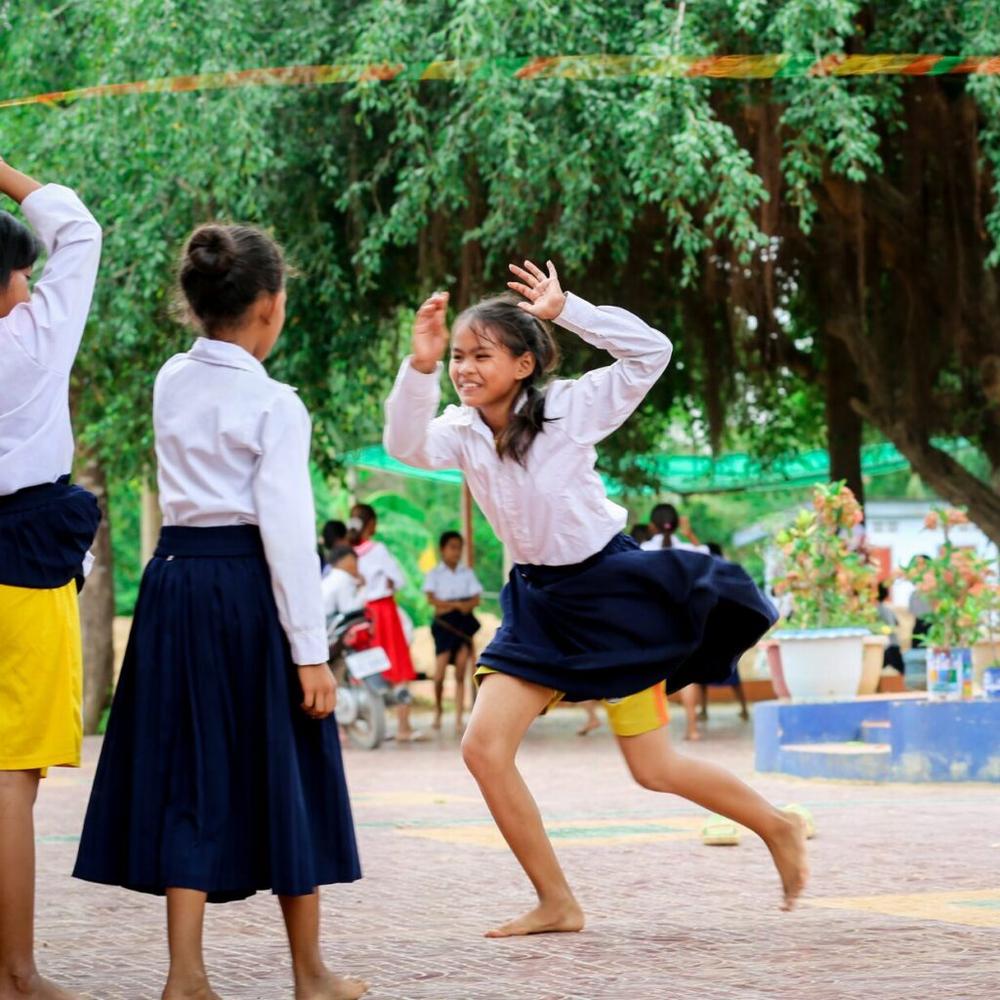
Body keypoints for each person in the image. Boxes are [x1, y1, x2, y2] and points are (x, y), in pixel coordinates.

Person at [385, 258, 807, 938]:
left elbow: (652, 353)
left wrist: (567, 310)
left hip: (613, 598)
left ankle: (776, 825)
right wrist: (421, 366)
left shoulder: (566, 409)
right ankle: (557, 901)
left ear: (523, 364)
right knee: (483, 749)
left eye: (479, 355)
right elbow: (403, 442)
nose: (464, 368)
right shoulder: (461, 433)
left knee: (653, 767)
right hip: (538, 604)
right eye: (458, 356)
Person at [73, 224, 366, 1000]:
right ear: (269, 307)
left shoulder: (172, 378)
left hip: (173, 584)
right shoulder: (275, 403)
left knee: (187, 770)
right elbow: (285, 527)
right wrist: (311, 651)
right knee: (293, 764)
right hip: (246, 589)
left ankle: (186, 975)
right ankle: (309, 974)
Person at [0, 155, 102, 1000]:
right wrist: (3, 173)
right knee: (10, 777)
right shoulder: (31, 338)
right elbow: (81, 229)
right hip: (24, 568)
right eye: (25, 277)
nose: (34, 289)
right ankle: (18, 971)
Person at [349, 503, 423, 742]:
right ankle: (403, 727)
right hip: (384, 611)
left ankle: (368, 725)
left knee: (369, 667)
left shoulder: (348, 552)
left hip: (362, 613)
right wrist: (388, 583)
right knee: (398, 665)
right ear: (371, 524)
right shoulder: (378, 550)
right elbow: (399, 580)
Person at [423, 531, 482, 732]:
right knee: (439, 674)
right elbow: (431, 600)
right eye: (452, 547)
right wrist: (456, 605)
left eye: (459, 547)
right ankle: (438, 710)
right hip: (444, 625)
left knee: (460, 671)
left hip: (463, 623)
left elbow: (475, 599)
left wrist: (454, 605)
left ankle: (458, 717)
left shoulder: (467, 573)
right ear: (443, 549)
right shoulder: (434, 574)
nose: (456, 552)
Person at [698, 544, 751, 724]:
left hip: (708, 628)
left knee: (700, 672)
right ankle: (744, 709)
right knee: (732, 672)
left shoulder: (704, 572)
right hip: (727, 629)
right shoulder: (728, 573)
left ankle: (704, 710)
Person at [877, 581, 905, 673]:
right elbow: (895, 624)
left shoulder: (881, 609)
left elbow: (893, 625)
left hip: (888, 644)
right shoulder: (884, 609)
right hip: (889, 644)